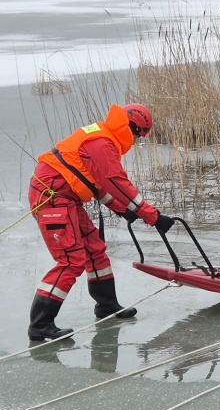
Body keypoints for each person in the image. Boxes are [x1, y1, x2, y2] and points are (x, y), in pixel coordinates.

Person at [27, 102, 176, 341]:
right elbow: (117, 183)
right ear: (133, 126)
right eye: (139, 135)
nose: (137, 141)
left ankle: (106, 306)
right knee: (70, 261)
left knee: (95, 251)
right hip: (52, 198)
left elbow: (96, 185)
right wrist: (153, 217)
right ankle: (40, 324)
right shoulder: (102, 143)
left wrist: (123, 210)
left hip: (67, 199)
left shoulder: (103, 137)